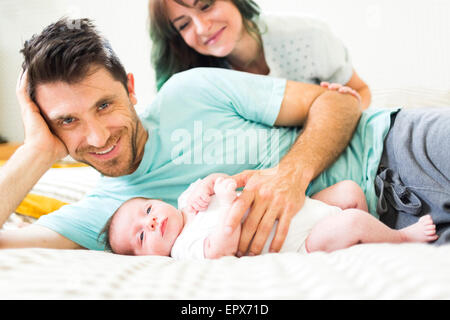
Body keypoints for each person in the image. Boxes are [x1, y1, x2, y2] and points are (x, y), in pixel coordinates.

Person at [0, 18, 449, 255]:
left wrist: (290, 176)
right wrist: (37, 150)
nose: (97, 136)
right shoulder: (105, 215)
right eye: (67, 121)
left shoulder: (190, 90)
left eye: (104, 105)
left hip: (395, 147)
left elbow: (339, 102)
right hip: (375, 225)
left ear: (131, 89)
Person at [102, 174, 438, 258]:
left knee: (350, 190)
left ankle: (361, 243)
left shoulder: (187, 198)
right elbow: (222, 243)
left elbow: (223, 179)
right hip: (300, 240)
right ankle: (400, 238)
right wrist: (225, 201)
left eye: (147, 210)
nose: (150, 222)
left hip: (297, 209)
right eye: (142, 236)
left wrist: (212, 184)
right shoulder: (183, 249)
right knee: (350, 221)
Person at [149, 0, 372, 109]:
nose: (201, 27)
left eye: (206, 5)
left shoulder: (309, 36)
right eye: (184, 24)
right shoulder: (199, 81)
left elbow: (361, 91)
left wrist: (341, 113)